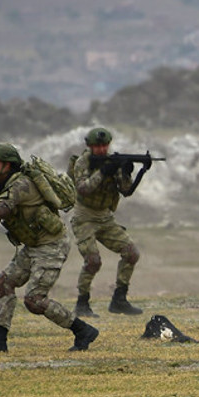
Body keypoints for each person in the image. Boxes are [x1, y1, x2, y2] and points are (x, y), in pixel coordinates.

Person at [0, 143, 99, 353]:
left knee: (35, 300)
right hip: (35, 245)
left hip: (51, 246)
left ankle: (83, 330)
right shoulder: (7, 184)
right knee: (4, 283)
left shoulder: (20, 185)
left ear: (7, 165)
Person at [69, 127, 144, 316]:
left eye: (104, 146)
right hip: (84, 217)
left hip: (105, 218)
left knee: (131, 253)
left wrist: (127, 172)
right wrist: (103, 172)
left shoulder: (112, 162)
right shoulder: (82, 162)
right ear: (90, 146)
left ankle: (119, 300)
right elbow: (83, 188)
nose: (101, 149)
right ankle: (82, 303)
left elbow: (126, 190)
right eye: (97, 146)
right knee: (93, 261)